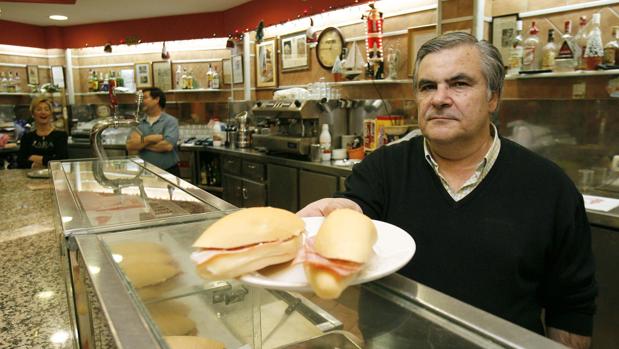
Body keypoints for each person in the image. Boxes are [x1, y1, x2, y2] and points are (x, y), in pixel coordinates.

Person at [298, 32, 597, 349]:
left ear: (493, 97)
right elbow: (358, 210)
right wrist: (343, 215)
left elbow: (572, 306)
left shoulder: (549, 187)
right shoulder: (383, 168)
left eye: (459, 84)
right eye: (428, 86)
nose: (439, 98)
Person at [126, 87, 180, 176]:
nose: (142, 101)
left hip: (168, 172)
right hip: (145, 172)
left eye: (145, 98)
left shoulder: (170, 121)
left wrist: (142, 144)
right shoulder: (138, 123)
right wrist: (151, 139)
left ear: (156, 100)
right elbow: (130, 146)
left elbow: (167, 146)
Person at [17, 97, 68, 169]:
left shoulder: (60, 135)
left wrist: (35, 158)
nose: (43, 112)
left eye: (46, 109)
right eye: (39, 109)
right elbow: (20, 162)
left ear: (51, 113)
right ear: (33, 114)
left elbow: (62, 160)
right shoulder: (27, 137)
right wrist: (35, 165)